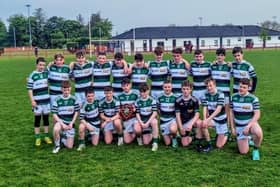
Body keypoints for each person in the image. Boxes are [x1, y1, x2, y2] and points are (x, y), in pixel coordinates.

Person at [230, 78, 263, 160]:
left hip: (250, 124)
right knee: (243, 152)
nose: (241, 89)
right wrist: (232, 128)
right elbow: (231, 113)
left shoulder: (253, 98)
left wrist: (248, 126)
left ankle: (256, 149)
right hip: (239, 126)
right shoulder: (233, 97)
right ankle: (248, 139)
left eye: (244, 87)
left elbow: (257, 114)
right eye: (240, 86)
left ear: (248, 88)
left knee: (258, 133)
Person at [27, 57, 52, 146]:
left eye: (43, 65)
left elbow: (50, 69)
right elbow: (29, 89)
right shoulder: (32, 75)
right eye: (40, 65)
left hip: (46, 101)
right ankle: (37, 137)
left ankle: (46, 136)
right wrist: (32, 101)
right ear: (36, 65)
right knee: (37, 119)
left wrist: (50, 64)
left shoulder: (46, 74)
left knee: (46, 119)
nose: (42, 67)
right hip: (37, 101)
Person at [52, 81, 79, 154]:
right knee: (56, 128)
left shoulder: (74, 99)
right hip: (61, 122)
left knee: (69, 147)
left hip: (70, 123)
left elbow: (76, 112)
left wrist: (72, 123)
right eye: (64, 90)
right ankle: (57, 145)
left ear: (70, 89)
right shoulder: (57, 99)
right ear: (61, 89)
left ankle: (63, 137)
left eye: (68, 90)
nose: (66, 92)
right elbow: (54, 114)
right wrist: (62, 124)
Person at [201, 78, 228, 151]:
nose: (209, 88)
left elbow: (218, 110)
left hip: (221, 120)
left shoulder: (220, 94)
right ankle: (209, 144)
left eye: (210, 85)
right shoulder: (205, 94)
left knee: (219, 146)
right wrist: (204, 120)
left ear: (215, 85)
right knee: (202, 124)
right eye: (207, 86)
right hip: (213, 119)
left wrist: (208, 119)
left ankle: (226, 134)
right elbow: (205, 107)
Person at [211, 48, 232, 135]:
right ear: (216, 56)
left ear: (224, 56)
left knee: (227, 111)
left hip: (225, 93)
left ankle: (228, 129)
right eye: (218, 55)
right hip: (216, 94)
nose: (219, 57)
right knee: (216, 111)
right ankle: (218, 130)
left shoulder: (228, 66)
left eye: (222, 55)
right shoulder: (212, 66)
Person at [175, 80, 202, 148]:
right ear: (181, 89)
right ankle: (192, 136)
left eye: (187, 89)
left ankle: (198, 141)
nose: (185, 91)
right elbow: (177, 116)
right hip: (183, 122)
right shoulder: (178, 100)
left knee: (199, 123)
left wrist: (191, 124)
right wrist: (181, 128)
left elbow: (197, 114)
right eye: (184, 89)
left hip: (191, 121)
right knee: (185, 144)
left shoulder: (194, 100)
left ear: (191, 89)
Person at [134, 83, 159, 151]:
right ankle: (139, 137)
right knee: (137, 129)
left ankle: (155, 143)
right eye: (141, 92)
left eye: (144, 91)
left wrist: (147, 123)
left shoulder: (152, 100)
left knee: (155, 122)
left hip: (149, 119)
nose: (143, 93)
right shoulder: (137, 101)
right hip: (141, 119)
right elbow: (137, 114)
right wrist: (141, 123)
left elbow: (154, 113)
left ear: (148, 91)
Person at [157, 80, 178, 148]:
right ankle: (171, 134)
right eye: (165, 87)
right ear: (163, 87)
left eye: (169, 87)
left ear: (171, 87)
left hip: (172, 120)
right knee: (167, 143)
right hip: (163, 121)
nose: (167, 88)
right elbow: (158, 109)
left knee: (172, 129)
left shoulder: (176, 97)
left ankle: (174, 137)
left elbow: (178, 111)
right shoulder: (159, 97)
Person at [118, 78, 138, 144]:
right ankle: (134, 134)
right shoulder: (119, 96)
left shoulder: (136, 94)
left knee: (137, 129)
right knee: (127, 141)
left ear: (130, 85)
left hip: (134, 118)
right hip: (126, 119)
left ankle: (139, 135)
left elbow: (139, 107)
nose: (125, 87)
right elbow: (119, 109)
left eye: (127, 85)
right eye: (123, 86)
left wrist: (134, 109)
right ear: (121, 86)